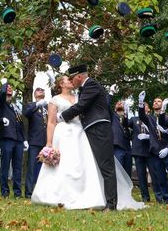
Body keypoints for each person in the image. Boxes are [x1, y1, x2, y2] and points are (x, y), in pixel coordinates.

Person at [31, 75, 144, 210]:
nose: (71, 81)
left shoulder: (80, 97)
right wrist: (49, 142)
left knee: (84, 164)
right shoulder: (55, 100)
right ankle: (59, 196)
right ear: (61, 84)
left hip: (81, 133)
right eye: (68, 80)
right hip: (63, 134)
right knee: (65, 165)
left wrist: (109, 96)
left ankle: (87, 195)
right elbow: (51, 122)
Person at [58, 64, 118, 210]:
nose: (72, 82)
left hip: (99, 128)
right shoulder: (87, 88)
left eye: (72, 79)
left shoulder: (91, 85)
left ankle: (111, 205)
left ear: (79, 76)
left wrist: (62, 116)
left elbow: (81, 106)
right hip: (93, 128)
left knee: (106, 167)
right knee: (99, 165)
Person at [132, 92, 168, 204]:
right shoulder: (149, 118)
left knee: (166, 176)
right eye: (154, 101)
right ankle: (160, 198)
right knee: (158, 176)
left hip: (165, 150)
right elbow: (142, 116)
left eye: (159, 101)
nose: (156, 102)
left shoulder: (167, 117)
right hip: (154, 151)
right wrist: (140, 103)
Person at [0, 79, 27, 198]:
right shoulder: (1, 103)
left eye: (11, 87)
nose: (9, 88)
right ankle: (5, 192)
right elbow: (2, 95)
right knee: (5, 166)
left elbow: (20, 123)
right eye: (7, 87)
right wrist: (3, 85)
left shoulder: (15, 106)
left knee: (17, 167)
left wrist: (24, 139)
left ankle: (17, 192)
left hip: (18, 139)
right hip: (7, 138)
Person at [23, 86, 48, 198]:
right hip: (34, 141)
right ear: (34, 94)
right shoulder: (31, 105)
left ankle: (43, 191)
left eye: (42, 90)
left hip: (46, 141)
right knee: (32, 167)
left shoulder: (48, 106)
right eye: (38, 90)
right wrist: (37, 105)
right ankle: (29, 192)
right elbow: (26, 114)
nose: (41, 91)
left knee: (46, 167)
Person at [108, 86, 132, 178]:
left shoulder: (129, 120)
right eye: (117, 103)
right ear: (115, 108)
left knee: (127, 174)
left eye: (121, 103)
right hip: (117, 148)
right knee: (118, 173)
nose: (119, 104)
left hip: (128, 148)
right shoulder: (113, 117)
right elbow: (107, 105)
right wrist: (111, 93)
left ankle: (127, 192)